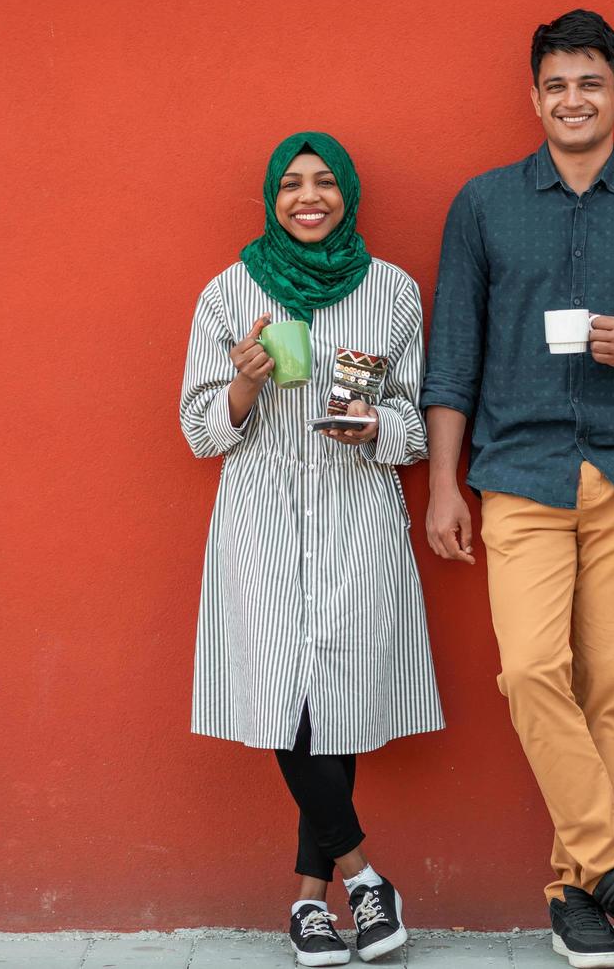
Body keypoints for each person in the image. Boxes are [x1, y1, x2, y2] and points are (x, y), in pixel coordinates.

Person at [420, 10, 614, 969]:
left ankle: (574, 890)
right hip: (517, 474)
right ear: (535, 97)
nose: (573, 100)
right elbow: (453, 361)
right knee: (529, 672)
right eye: (556, 85)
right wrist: (443, 486)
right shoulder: (482, 206)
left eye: (590, 84)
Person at [179, 131, 443, 967]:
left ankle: (306, 904)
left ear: (348, 193)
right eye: (292, 183)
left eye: (325, 182)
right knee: (280, 694)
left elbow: (416, 425)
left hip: (356, 515)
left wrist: (376, 427)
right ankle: (364, 878)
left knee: (332, 698)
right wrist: (247, 382)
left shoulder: (392, 291)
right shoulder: (228, 292)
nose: (308, 197)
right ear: (271, 195)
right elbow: (196, 430)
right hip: (258, 519)